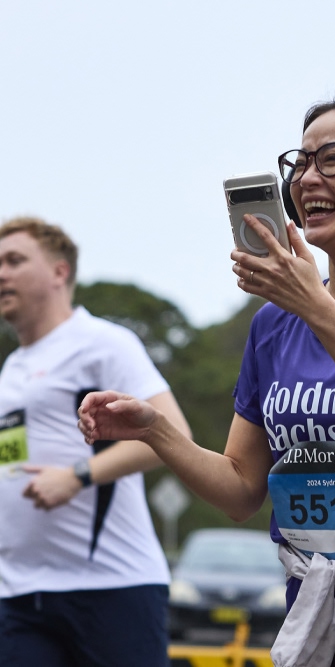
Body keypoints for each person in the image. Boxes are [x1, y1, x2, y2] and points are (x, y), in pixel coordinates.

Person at [78, 92, 335, 667]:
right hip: (316, 626)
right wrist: (156, 432)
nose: (306, 178)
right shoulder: (273, 324)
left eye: (332, 158)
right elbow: (240, 490)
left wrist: (316, 307)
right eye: (298, 163)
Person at [0, 217, 191, 667]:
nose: (1, 273)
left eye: (14, 260)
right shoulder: (11, 369)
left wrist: (76, 477)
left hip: (110, 585)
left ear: (59, 272)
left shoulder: (103, 343)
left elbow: (175, 434)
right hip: (19, 590)